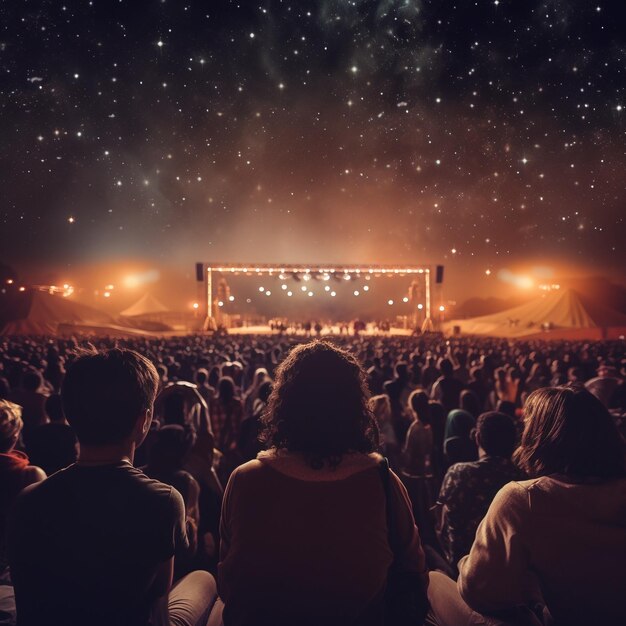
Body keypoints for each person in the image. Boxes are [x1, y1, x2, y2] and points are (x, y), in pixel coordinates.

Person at [217, 341, 428, 625]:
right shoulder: (382, 481)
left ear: (284, 403)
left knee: (201, 582)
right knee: (440, 581)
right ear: (355, 406)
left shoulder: (244, 478)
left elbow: (227, 581)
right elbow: (415, 569)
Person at [8, 348, 217, 626]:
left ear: (69, 416)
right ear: (143, 422)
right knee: (205, 580)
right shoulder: (163, 500)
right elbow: (158, 606)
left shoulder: (28, 499)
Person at [428, 386, 626, 626]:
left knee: (434, 581)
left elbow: (480, 593)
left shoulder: (523, 498)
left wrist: (463, 562)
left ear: (542, 435)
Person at [435, 411, 522, 569]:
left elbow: (442, 523)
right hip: (509, 567)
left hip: (463, 565)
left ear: (478, 438)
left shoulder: (458, 472)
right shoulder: (521, 477)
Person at [25, 393, 77, 476]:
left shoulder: (36, 433)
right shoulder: (73, 434)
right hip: (66, 479)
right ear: (66, 411)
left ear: (46, 410)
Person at [403, 390, 434, 476]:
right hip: (429, 471)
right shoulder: (431, 425)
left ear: (412, 407)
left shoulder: (415, 428)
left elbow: (408, 455)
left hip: (416, 473)